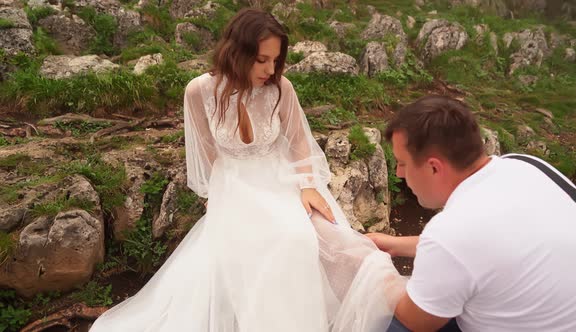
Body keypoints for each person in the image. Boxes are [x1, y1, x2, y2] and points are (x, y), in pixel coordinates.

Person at [90, 8, 407, 332]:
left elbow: (298, 140)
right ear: (236, 52)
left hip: (280, 179)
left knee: (308, 237)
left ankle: (392, 306)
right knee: (248, 250)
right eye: (261, 60)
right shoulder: (198, 91)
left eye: (276, 60)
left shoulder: (280, 88)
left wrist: (308, 185)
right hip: (235, 184)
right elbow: (207, 149)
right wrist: (217, 194)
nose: (271, 69)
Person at [367, 95, 576, 331]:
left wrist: (373, 270)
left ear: (434, 167)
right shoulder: (526, 165)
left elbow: (417, 321)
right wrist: (395, 244)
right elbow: (491, 245)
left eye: (402, 163)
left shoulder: (451, 231)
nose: (399, 173)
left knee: (385, 319)